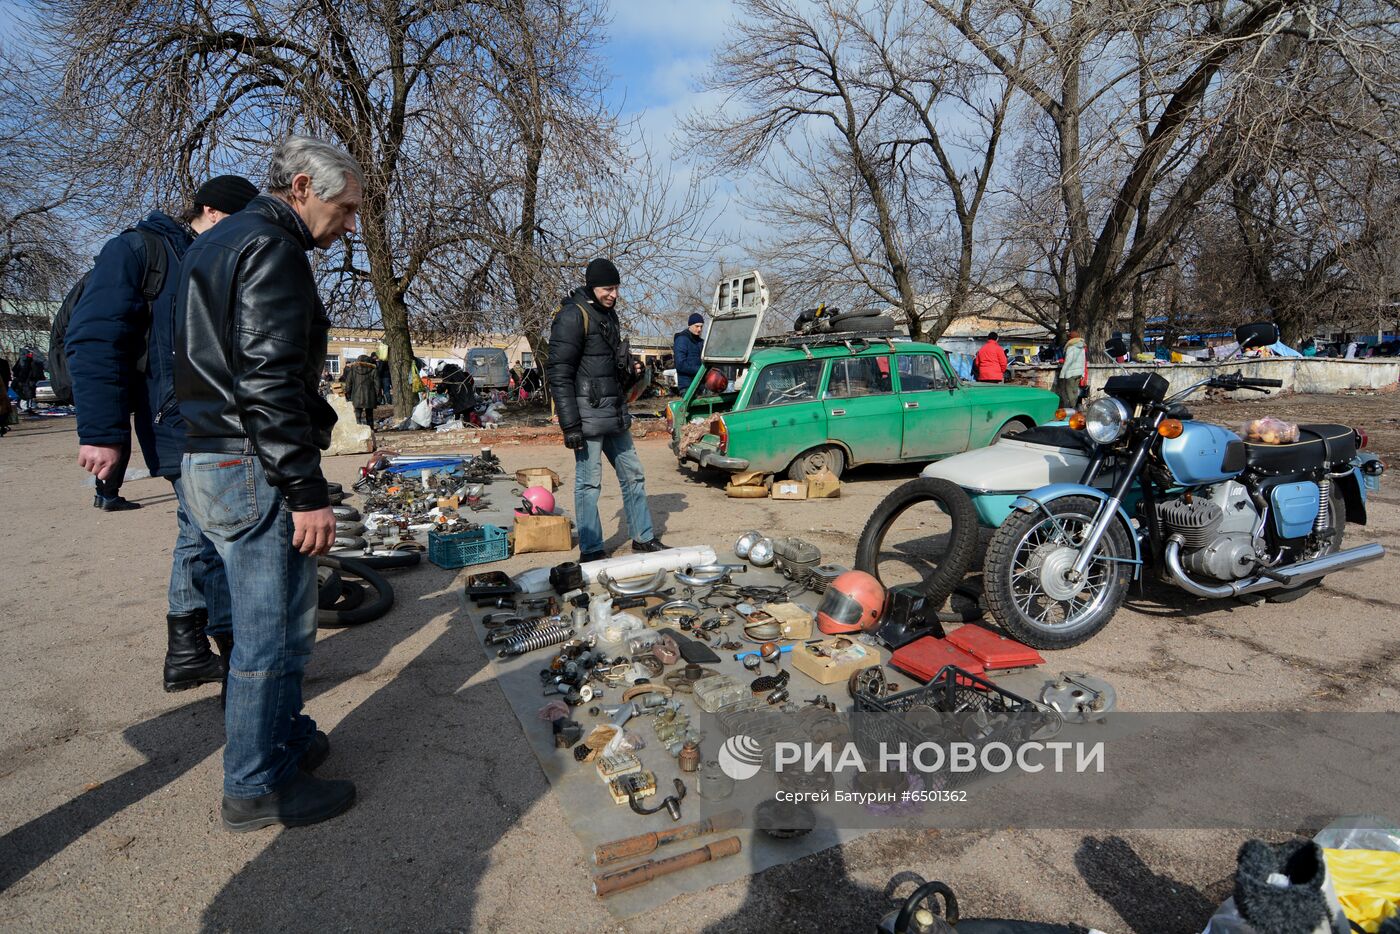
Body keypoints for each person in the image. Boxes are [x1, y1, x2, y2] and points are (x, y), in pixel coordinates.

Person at [175, 135, 361, 831]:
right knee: (271, 633)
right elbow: (267, 380)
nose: (349, 227)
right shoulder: (273, 248)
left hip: (211, 455)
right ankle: (256, 784)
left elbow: (205, 362)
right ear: (305, 188)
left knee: (268, 623)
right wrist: (306, 491)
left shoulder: (217, 241)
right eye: (344, 209)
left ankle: (279, 740)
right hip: (249, 461)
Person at [66, 175, 257, 691]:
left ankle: (189, 648)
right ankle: (231, 660)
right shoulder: (138, 251)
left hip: (219, 419)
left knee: (198, 531)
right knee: (213, 535)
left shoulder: (219, 258)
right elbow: (94, 339)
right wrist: (103, 433)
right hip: (177, 420)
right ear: (214, 212)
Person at [546, 258, 665, 563]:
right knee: (589, 483)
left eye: (616, 288)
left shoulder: (608, 316)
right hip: (586, 417)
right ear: (592, 286)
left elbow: (608, 368)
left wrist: (631, 370)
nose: (614, 294)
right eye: (608, 288)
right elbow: (559, 373)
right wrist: (570, 426)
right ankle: (592, 549)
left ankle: (643, 537)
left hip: (613, 412)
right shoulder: (573, 316)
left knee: (633, 474)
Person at [672, 312, 705, 392]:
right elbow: (680, 365)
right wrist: (702, 370)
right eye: (697, 326)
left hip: (701, 385)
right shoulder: (682, 340)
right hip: (687, 387)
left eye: (701, 326)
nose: (699, 329)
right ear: (690, 325)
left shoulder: (700, 342)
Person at [343, 353, 379, 425]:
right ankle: (370, 428)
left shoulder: (353, 370)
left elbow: (348, 384)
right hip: (369, 396)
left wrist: (348, 394)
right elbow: (377, 385)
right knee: (369, 414)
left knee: (357, 414)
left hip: (356, 395)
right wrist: (377, 396)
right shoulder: (373, 370)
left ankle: (358, 428)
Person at [1057, 329, 1087, 408]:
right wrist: (1083, 373)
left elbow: (1068, 362)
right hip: (1079, 372)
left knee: (1069, 391)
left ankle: (1073, 407)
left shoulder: (1071, 348)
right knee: (1075, 390)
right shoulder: (1082, 348)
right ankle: (1077, 406)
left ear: (1070, 339)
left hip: (1070, 372)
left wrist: (1062, 374)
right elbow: (1083, 361)